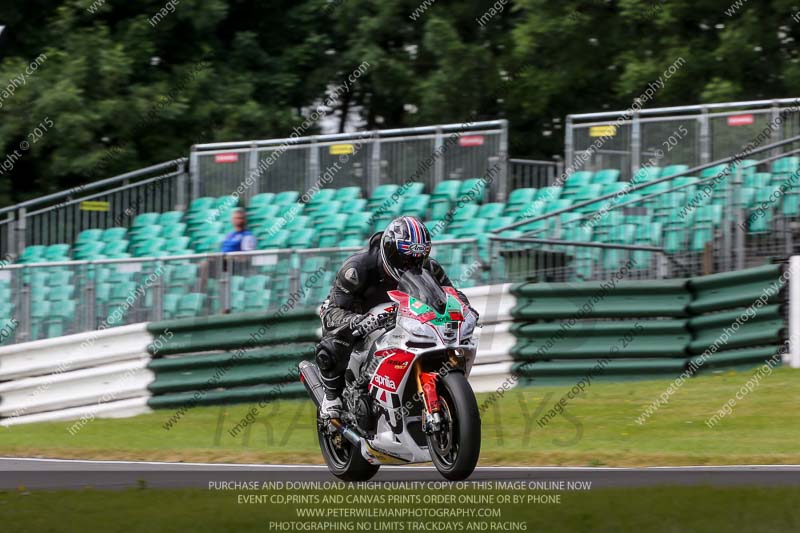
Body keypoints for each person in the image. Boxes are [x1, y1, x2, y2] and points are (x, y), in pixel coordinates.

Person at [316, 215, 477, 419]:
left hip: (401, 319)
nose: (411, 264)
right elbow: (332, 312)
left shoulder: (430, 268)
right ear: (390, 251)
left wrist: (465, 309)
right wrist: (355, 321)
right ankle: (331, 400)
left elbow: (451, 295)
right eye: (405, 258)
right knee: (333, 343)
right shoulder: (356, 269)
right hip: (360, 319)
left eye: (418, 258)